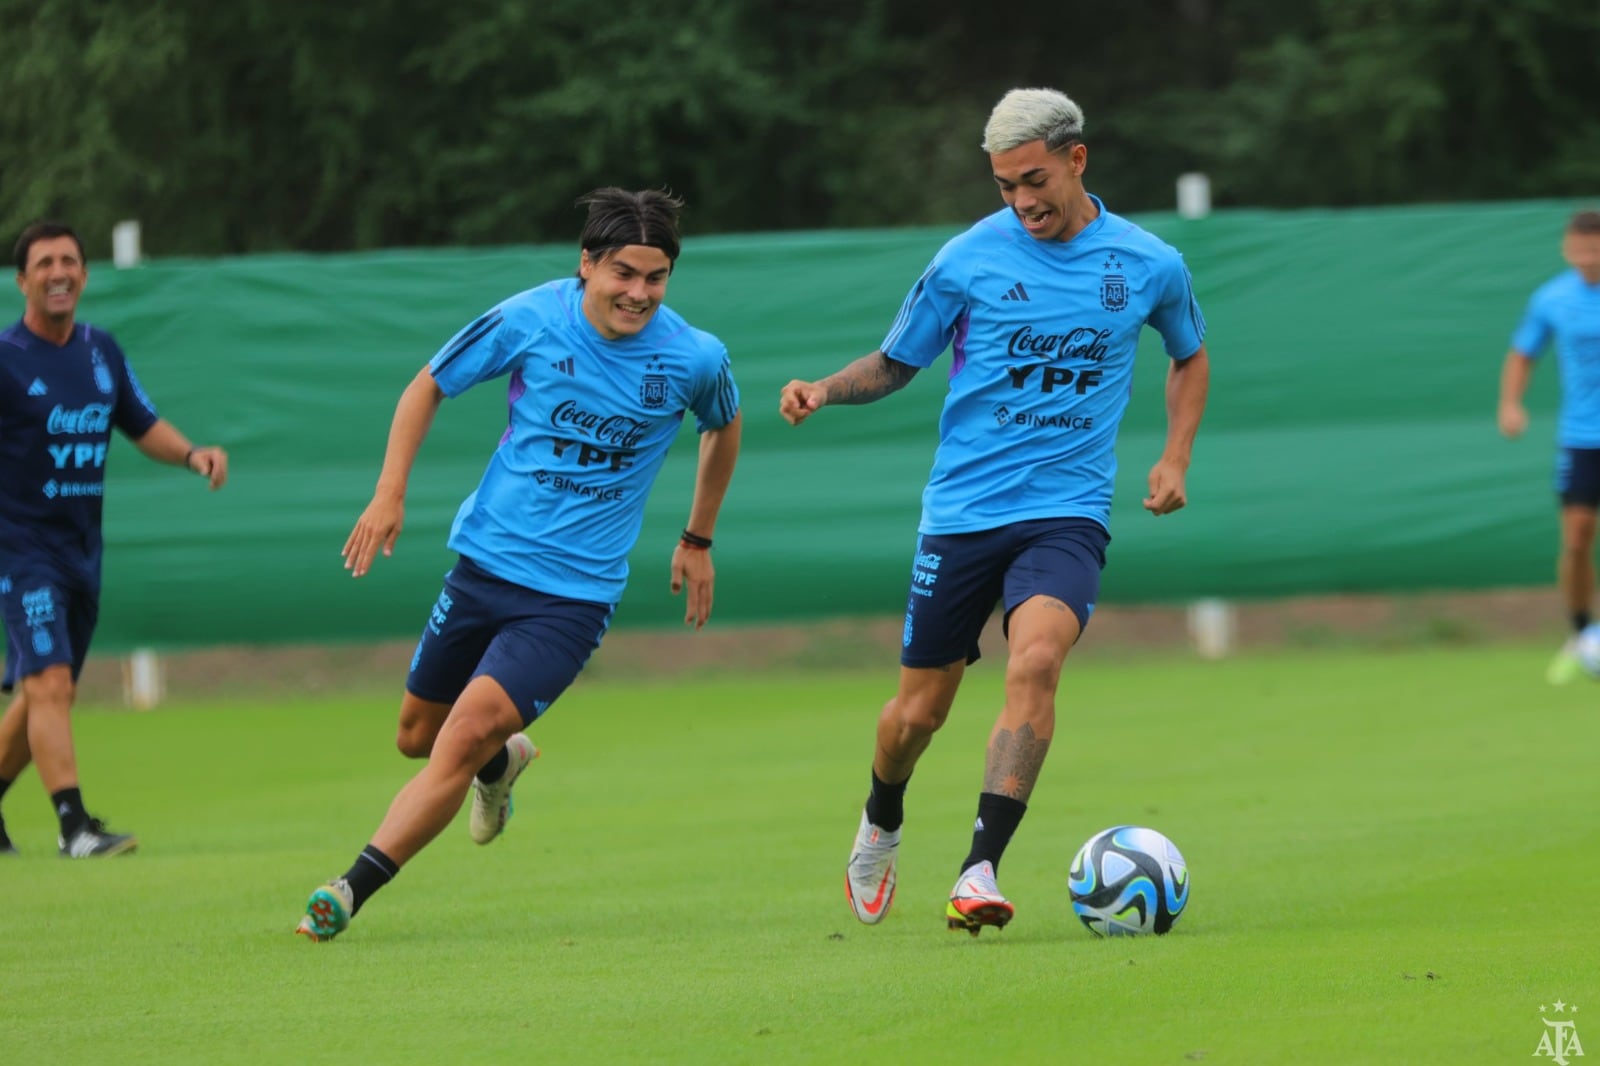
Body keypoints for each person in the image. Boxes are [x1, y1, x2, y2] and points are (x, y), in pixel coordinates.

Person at [780, 88, 1210, 935]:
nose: (1022, 201)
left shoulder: (1149, 263)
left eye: (1034, 179)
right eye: (1006, 185)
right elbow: (899, 361)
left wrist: (1174, 456)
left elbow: (1188, 357)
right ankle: (881, 819)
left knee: (1036, 661)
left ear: (1076, 159)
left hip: (1067, 511)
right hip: (964, 512)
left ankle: (979, 868)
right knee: (917, 715)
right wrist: (825, 390)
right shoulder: (967, 260)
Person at [296, 187, 742, 941]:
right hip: (484, 568)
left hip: (570, 600)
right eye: (623, 273)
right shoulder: (533, 318)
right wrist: (389, 494)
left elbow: (723, 427)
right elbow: (426, 385)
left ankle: (348, 889)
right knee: (417, 735)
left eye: (656, 277)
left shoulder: (694, 356)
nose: (638, 293)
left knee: (460, 735)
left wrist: (697, 538)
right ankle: (502, 767)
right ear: (586, 264)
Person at [0, 221, 229, 858]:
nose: (58, 272)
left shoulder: (101, 352)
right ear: (22, 281)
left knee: (47, 690)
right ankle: (74, 828)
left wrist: (192, 455)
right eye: (43, 263)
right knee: (47, 683)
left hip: (81, 554)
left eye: (69, 260)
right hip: (19, 550)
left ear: (84, 274)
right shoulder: (6, 358)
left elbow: (140, 422)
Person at [1497, 209, 1600, 684]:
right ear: (1566, 249)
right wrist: (1511, 404)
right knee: (1577, 535)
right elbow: (1522, 353)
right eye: (1579, 251)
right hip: (1581, 438)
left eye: (1595, 251)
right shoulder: (1552, 298)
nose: (1587, 259)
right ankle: (1581, 636)